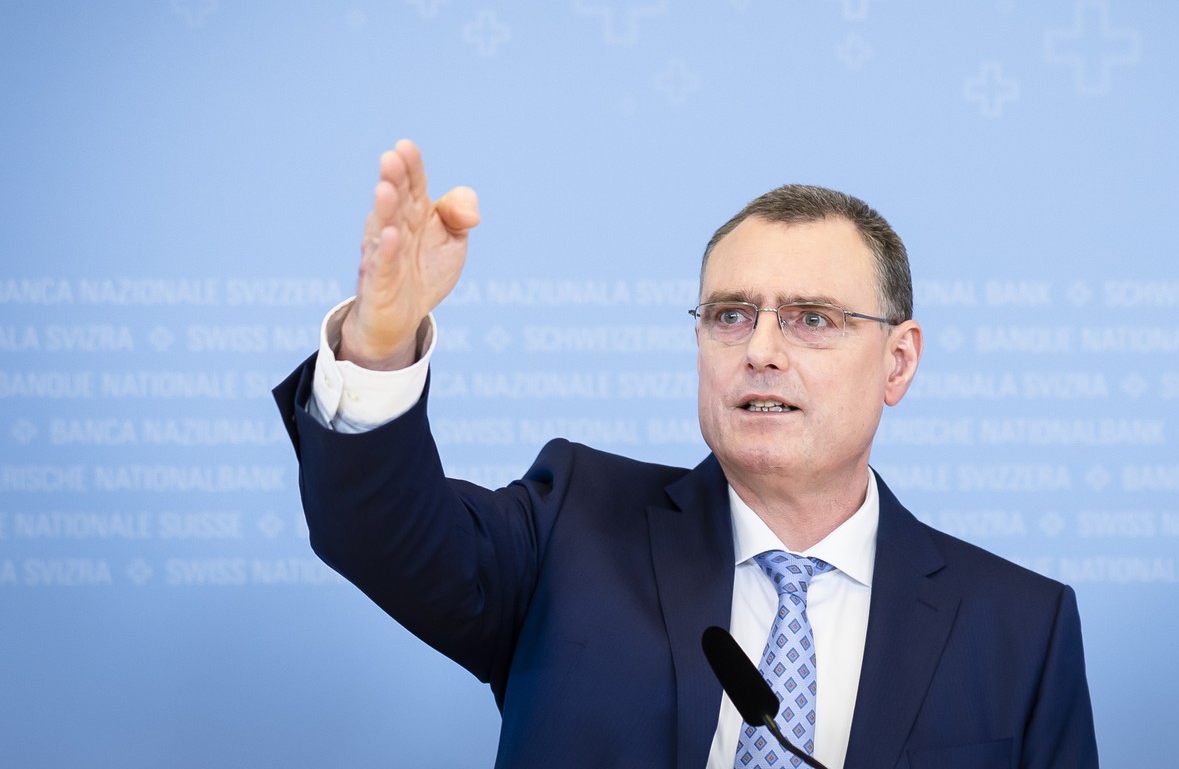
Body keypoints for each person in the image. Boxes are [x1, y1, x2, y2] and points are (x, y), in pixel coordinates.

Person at [273, 139, 1098, 769]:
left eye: (812, 318)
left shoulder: (1019, 627)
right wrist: (377, 347)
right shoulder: (572, 528)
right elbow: (377, 531)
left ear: (899, 361)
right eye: (731, 315)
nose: (763, 350)